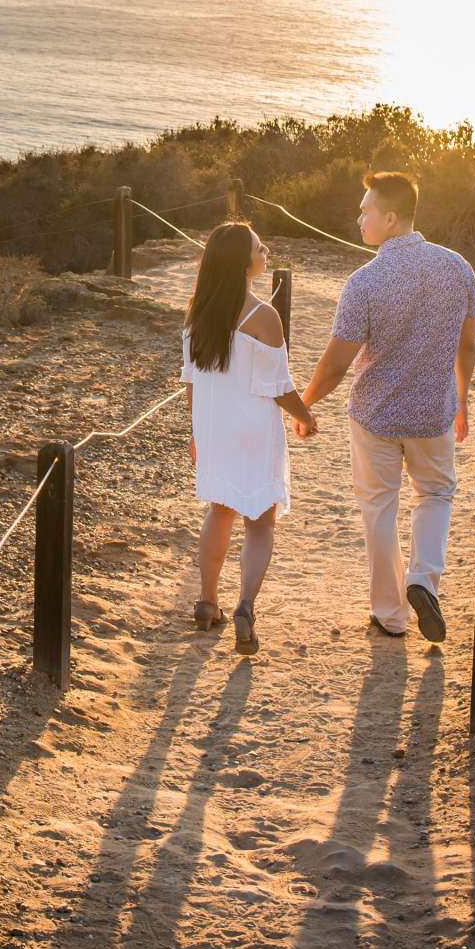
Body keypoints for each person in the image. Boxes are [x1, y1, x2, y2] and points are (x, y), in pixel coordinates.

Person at [300, 171, 475, 642]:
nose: (359, 218)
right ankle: (423, 580)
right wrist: (461, 401)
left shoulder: (365, 281)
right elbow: (468, 347)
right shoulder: (457, 267)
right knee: (435, 495)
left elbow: (337, 362)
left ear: (392, 218)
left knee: (379, 508)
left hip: (375, 415)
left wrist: (304, 403)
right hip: (432, 414)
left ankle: (391, 615)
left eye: (366, 211)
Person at [180, 221, 314, 656]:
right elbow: (277, 386)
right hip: (254, 428)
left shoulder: (195, 315)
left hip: (215, 426)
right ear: (243, 262)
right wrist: (306, 417)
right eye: (260, 247)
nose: (265, 251)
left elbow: (192, 384)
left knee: (219, 512)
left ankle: (206, 601)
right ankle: (245, 607)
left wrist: (197, 432)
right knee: (260, 522)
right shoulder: (264, 317)